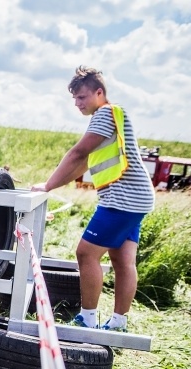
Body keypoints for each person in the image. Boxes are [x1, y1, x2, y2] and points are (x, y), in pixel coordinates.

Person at [32, 66, 155, 332]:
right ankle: (118, 324)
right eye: (75, 99)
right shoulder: (112, 115)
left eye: (83, 97)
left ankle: (87, 319)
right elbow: (83, 163)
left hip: (122, 200)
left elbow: (78, 153)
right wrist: (53, 186)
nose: (78, 103)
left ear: (100, 93)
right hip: (136, 198)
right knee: (123, 262)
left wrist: (48, 185)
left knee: (85, 253)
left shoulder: (105, 114)